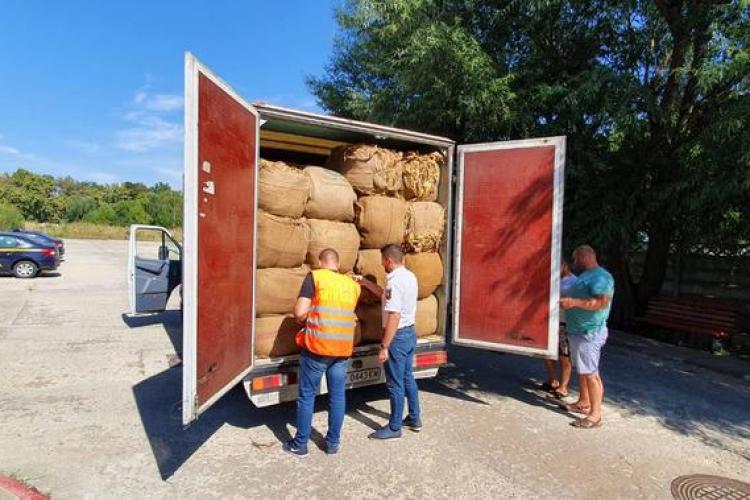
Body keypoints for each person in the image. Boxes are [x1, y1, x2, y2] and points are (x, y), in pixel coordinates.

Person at [283, 248, 361, 456]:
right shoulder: (352, 285)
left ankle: (300, 444)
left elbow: (299, 312)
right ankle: (333, 443)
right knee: (337, 396)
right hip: (342, 349)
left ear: (320, 262)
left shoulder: (316, 277)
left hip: (318, 348)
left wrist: (308, 316)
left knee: (307, 396)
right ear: (338, 263)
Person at [358, 244, 421, 439]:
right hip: (409, 333)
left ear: (389, 260)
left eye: (382, 261)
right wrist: (365, 283)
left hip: (397, 337)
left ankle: (394, 427)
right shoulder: (409, 276)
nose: (381, 265)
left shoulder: (395, 281)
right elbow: (386, 296)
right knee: (407, 377)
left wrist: (384, 346)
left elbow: (394, 315)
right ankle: (414, 418)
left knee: (395, 383)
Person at [560, 245, 615, 429]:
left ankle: (595, 415)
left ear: (584, 256)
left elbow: (602, 302)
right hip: (579, 331)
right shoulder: (586, 275)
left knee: (591, 373)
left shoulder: (601, 277)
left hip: (589, 332)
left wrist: (574, 302)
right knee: (584, 370)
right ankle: (584, 402)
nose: (574, 262)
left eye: (575, 258)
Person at [541, 258, 577, 398]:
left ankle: (564, 386)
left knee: (564, 354)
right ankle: (552, 379)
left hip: (565, 322)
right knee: (547, 352)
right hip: (550, 321)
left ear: (565, 265)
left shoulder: (574, 282)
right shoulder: (552, 280)